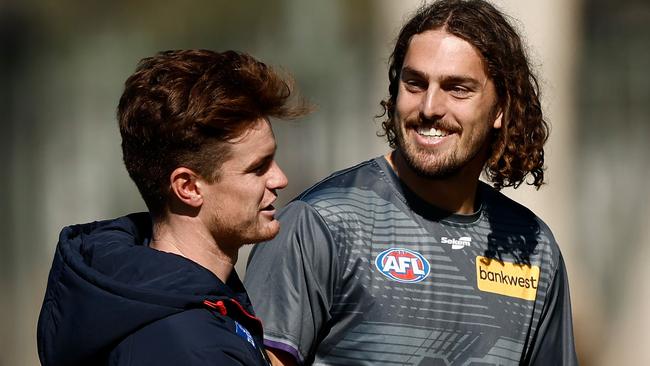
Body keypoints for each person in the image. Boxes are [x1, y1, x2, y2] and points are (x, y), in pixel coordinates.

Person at [244, 0, 578, 365]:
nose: (430, 107)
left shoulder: (533, 247)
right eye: (415, 83)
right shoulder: (320, 224)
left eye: (458, 88)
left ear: (500, 109)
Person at [37, 49, 309, 365]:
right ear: (188, 187)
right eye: (258, 167)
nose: (280, 179)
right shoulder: (186, 347)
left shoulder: (168, 303)